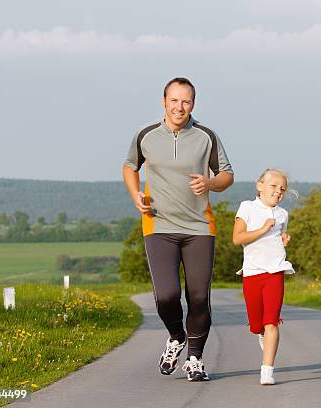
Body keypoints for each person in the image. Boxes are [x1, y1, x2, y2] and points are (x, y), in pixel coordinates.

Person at [122, 77, 234, 382]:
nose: (179, 107)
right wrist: (136, 196)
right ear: (164, 102)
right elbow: (130, 166)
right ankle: (176, 336)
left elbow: (227, 175)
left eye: (185, 101)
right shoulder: (146, 135)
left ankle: (195, 359)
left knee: (198, 297)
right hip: (158, 225)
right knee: (166, 296)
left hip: (199, 227)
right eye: (174, 100)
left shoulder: (206, 136)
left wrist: (210, 182)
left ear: (193, 104)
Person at [232, 169, 295, 385]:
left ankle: (267, 370)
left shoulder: (283, 214)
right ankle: (260, 332)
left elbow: (278, 236)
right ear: (260, 185)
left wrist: (283, 239)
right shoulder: (247, 207)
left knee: (272, 322)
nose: (278, 192)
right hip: (252, 272)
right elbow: (237, 238)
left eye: (282, 189)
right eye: (273, 186)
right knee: (257, 325)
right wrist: (262, 229)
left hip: (275, 271)